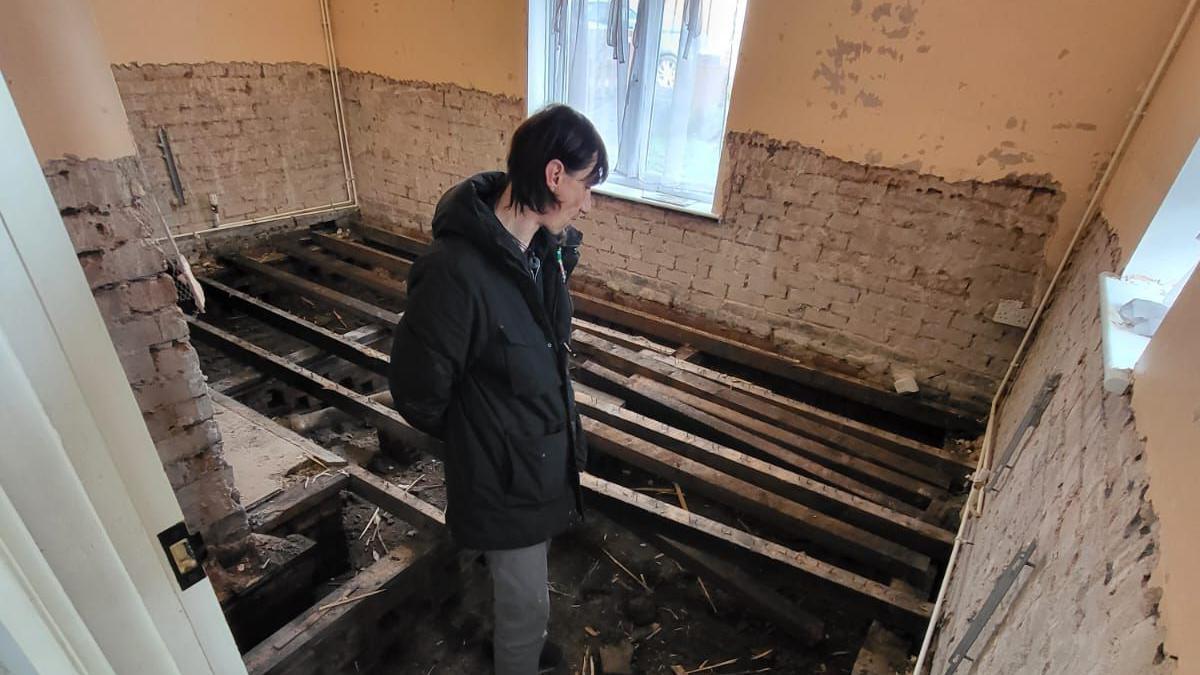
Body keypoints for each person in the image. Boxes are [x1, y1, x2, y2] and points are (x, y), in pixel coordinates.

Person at [388, 104, 608, 675]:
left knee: (527, 595)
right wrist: (482, 433)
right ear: (554, 176)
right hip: (502, 474)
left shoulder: (544, 252)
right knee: (525, 607)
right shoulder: (455, 273)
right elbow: (417, 392)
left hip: (536, 461)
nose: (590, 203)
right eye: (586, 185)